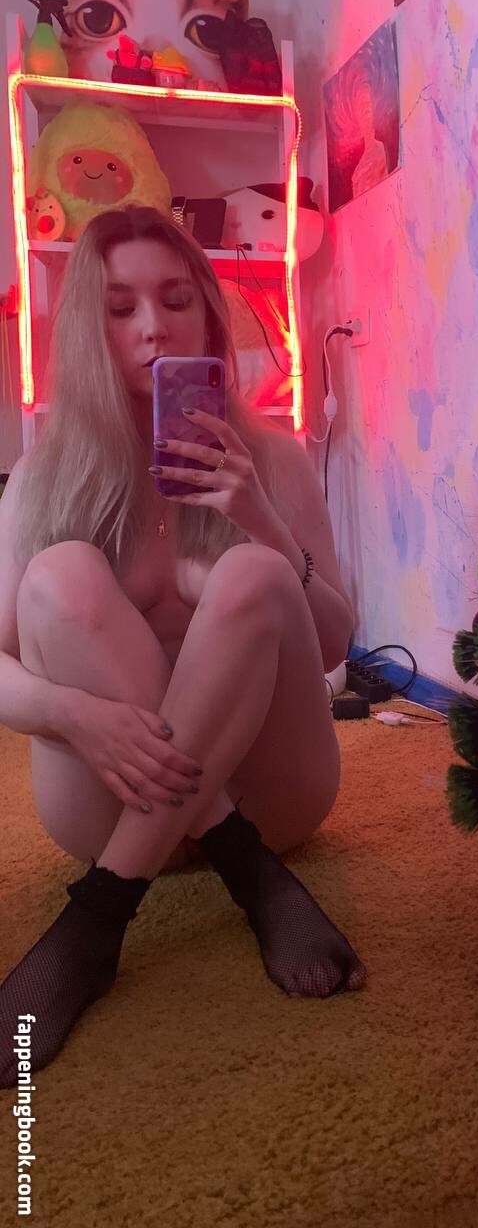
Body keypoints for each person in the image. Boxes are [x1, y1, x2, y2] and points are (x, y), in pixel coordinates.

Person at [0, 205, 366, 1090]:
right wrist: (71, 712)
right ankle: (243, 864)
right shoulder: (44, 477)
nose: (152, 327)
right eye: (119, 307)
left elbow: (331, 644)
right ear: (86, 329)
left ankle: (97, 916)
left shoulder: (273, 460)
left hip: (275, 793)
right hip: (111, 795)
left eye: (174, 300)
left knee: (251, 574)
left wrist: (260, 520)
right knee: (58, 576)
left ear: (207, 314)